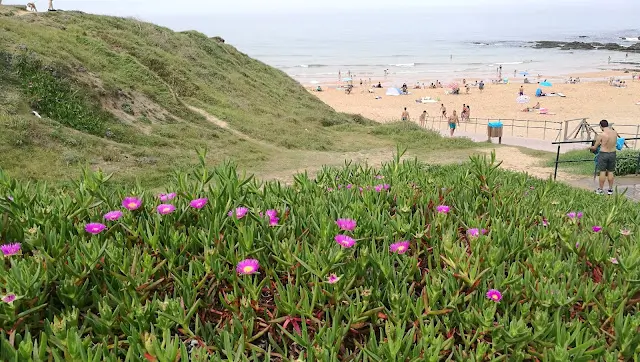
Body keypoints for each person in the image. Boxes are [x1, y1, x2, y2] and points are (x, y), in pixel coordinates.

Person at [589, 120, 619, 195]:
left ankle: (601, 190)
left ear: (601, 126)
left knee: (602, 171)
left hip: (603, 154)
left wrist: (589, 148)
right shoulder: (614, 132)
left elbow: (595, 147)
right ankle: (610, 189)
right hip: (612, 153)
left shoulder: (601, 135)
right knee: (610, 171)